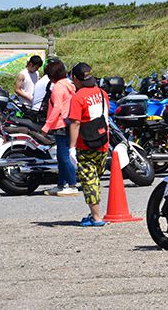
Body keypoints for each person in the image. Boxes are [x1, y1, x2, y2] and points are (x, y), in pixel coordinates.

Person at [68, 63, 110, 227]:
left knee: (89, 180)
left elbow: (75, 123)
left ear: (75, 78)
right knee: (96, 178)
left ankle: (96, 217)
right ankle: (95, 212)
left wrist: (72, 147)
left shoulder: (78, 97)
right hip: (102, 142)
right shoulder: (102, 93)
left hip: (85, 145)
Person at [42, 59, 78, 197]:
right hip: (68, 122)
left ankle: (72, 184)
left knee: (63, 157)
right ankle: (61, 185)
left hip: (60, 124)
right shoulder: (69, 85)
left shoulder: (57, 87)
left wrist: (47, 125)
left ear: (51, 75)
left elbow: (57, 107)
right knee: (62, 156)